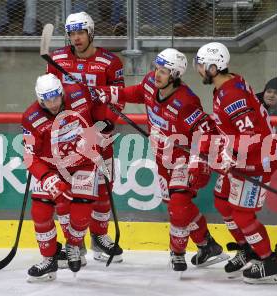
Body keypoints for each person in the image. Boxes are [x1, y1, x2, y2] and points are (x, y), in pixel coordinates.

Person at [97, 48, 229, 272]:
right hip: (162, 159)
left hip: (184, 160)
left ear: (175, 75)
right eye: (157, 68)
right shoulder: (150, 83)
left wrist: (197, 161)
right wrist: (107, 93)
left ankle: (177, 253)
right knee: (180, 205)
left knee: (178, 206)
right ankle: (208, 245)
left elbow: (205, 133)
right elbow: (136, 92)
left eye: (164, 71)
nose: (157, 74)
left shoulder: (186, 102)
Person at [191, 42, 277, 284]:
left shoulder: (231, 94)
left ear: (213, 67)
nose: (198, 69)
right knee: (222, 202)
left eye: (201, 65)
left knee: (242, 214)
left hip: (256, 161)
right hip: (246, 157)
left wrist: (226, 157)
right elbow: (233, 126)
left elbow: (251, 136)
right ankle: (246, 248)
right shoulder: (228, 84)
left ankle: (267, 262)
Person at [46, 11, 125, 265]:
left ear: (91, 33)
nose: (76, 38)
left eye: (81, 32)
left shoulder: (110, 62)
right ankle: (74, 243)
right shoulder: (57, 59)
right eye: (71, 33)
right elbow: (48, 97)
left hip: (101, 135)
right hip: (69, 139)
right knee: (71, 192)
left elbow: (118, 97)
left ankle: (99, 237)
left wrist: (105, 122)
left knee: (103, 187)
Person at [22, 73, 107, 282]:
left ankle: (73, 244)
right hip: (52, 168)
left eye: (55, 98)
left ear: (61, 93)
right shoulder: (30, 117)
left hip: (84, 162)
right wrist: (47, 178)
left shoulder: (79, 93)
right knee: (40, 211)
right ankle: (49, 258)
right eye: (46, 100)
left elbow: (101, 105)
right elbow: (29, 155)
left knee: (81, 213)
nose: (52, 104)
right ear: (39, 99)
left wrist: (106, 121)